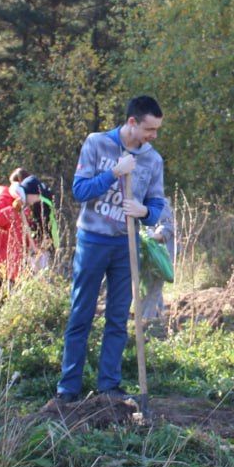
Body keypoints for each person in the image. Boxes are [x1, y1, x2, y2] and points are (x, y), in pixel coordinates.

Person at [56, 96, 166, 403]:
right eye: (149, 129)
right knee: (82, 313)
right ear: (132, 122)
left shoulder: (153, 160)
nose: (153, 136)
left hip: (125, 244)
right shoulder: (96, 144)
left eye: (156, 130)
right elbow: (80, 191)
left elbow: (158, 204)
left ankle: (108, 387)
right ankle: (68, 388)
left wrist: (143, 211)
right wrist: (113, 173)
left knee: (118, 317)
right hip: (92, 239)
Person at [138, 197, 175, 322]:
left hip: (157, 256)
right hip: (142, 256)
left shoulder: (157, 201)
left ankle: (149, 323)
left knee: (152, 290)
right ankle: (157, 317)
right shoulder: (134, 200)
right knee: (145, 291)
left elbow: (167, 227)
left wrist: (153, 236)